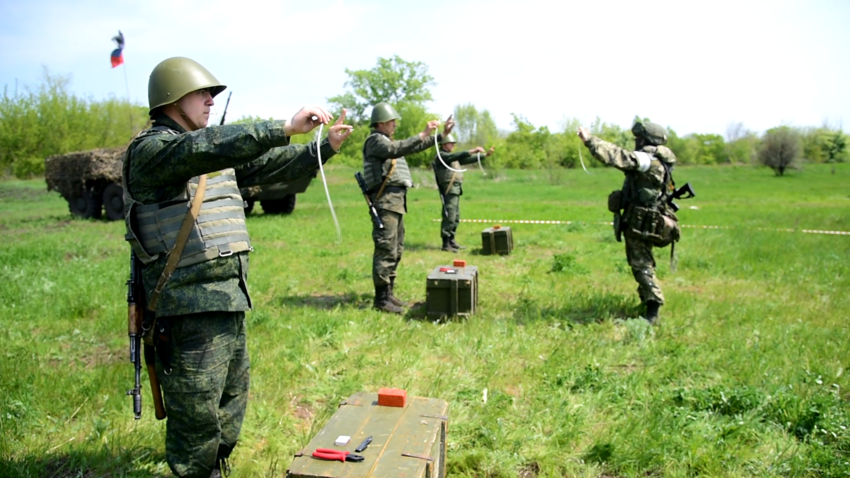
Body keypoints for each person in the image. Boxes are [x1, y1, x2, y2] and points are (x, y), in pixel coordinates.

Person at [122, 57, 352, 478]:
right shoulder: (153, 151)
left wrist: (325, 147)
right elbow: (203, 148)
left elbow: (270, 165)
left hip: (226, 297)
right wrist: (280, 127)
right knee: (195, 410)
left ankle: (218, 463)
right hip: (185, 308)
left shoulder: (206, 152)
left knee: (229, 399)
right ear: (172, 98)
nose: (211, 101)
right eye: (203, 93)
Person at [577, 121, 680, 324]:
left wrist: (590, 141)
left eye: (638, 139)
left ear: (646, 140)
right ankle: (647, 301)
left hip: (642, 220)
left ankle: (653, 310)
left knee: (641, 264)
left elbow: (617, 156)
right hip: (648, 218)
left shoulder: (647, 158)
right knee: (642, 261)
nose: (635, 142)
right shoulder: (659, 158)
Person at [361, 102, 455, 314]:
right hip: (385, 200)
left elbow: (414, 146)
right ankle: (381, 298)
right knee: (386, 247)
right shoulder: (376, 141)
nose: (395, 125)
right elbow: (397, 149)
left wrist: (440, 136)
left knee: (397, 248)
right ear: (382, 123)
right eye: (392, 121)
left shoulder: (388, 142)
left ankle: (389, 293)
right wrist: (423, 132)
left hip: (396, 201)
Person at [432, 134, 494, 252]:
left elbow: (466, 159)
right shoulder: (442, 156)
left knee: (455, 216)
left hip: (455, 188)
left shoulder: (451, 157)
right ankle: (446, 243)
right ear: (444, 144)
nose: (454, 145)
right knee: (449, 215)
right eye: (451, 143)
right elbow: (458, 155)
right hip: (449, 189)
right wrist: (473, 150)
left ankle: (452, 239)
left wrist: (484, 156)